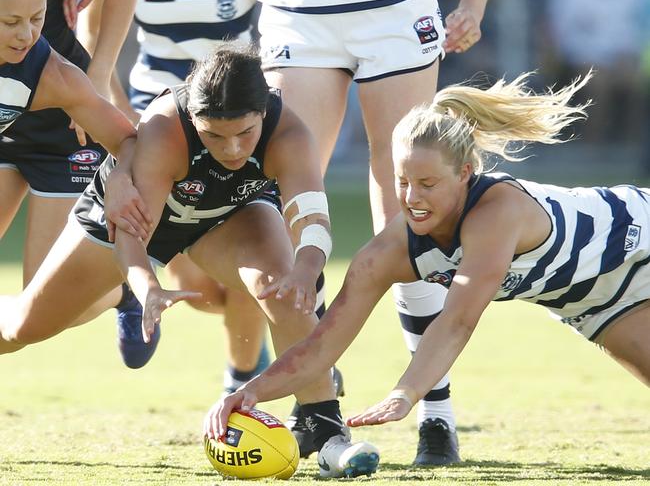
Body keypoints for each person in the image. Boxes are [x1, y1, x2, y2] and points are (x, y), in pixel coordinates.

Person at [205, 71, 650, 453]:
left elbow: (456, 321)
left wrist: (407, 393)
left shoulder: (496, 214)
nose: (412, 199)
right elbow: (321, 346)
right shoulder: (389, 252)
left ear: (464, 174)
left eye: (428, 183)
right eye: (402, 182)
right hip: (591, 301)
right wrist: (250, 393)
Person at [0, 45, 380, 479]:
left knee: (288, 292)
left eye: (245, 133)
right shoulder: (166, 127)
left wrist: (307, 270)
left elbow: (312, 219)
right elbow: (131, 234)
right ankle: (118, 295)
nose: (232, 149)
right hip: (140, 218)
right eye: (213, 136)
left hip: (229, 212)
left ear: (262, 113)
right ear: (195, 119)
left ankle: (325, 428)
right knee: (21, 328)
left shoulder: (288, 131)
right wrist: (147, 288)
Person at [255, 0, 487, 465]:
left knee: (408, 218)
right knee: (292, 206)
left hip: (392, 11)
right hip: (298, 14)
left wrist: (473, 8)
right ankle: (316, 410)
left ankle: (436, 416)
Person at [76, 0, 275, 385]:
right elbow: (92, 32)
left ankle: (242, 385)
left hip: (233, 131)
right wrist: (123, 126)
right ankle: (132, 293)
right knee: (198, 292)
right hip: (157, 127)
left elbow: (290, 24)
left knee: (250, 279)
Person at [0, 0, 135, 294]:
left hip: (67, 135)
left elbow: (128, 143)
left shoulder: (53, 75)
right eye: (11, 23)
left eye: (38, 19)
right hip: (8, 131)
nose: (27, 35)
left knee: (42, 298)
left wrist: (122, 180)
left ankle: (122, 297)